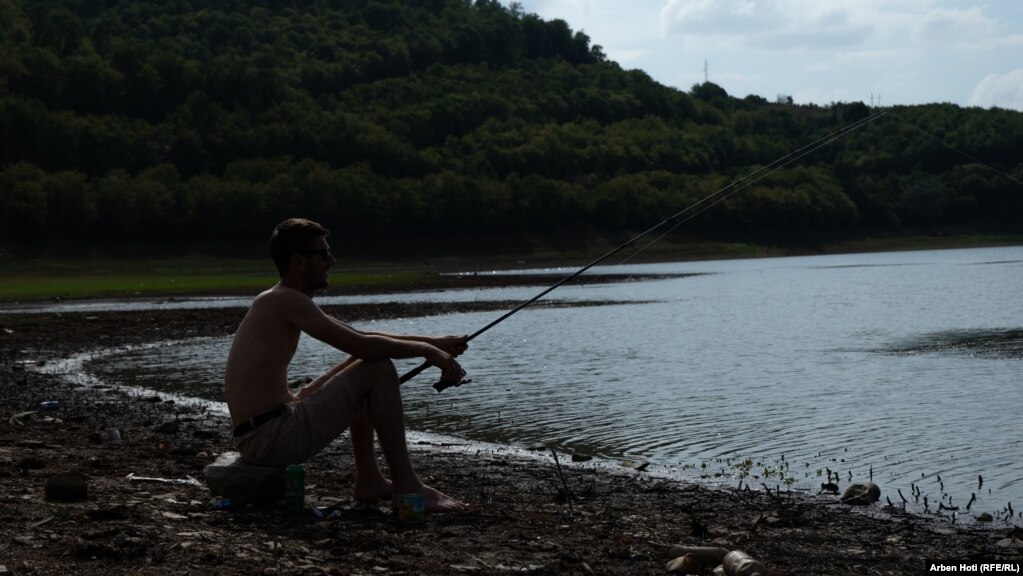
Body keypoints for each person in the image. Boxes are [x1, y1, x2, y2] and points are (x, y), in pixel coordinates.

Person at [225, 217, 470, 512]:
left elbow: (362, 338)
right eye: (324, 254)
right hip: (271, 438)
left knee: (363, 362)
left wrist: (435, 343)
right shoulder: (285, 300)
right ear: (299, 261)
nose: (332, 261)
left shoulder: (281, 300)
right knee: (377, 368)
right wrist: (428, 352)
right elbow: (364, 344)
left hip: (267, 429)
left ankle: (370, 480)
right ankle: (407, 486)